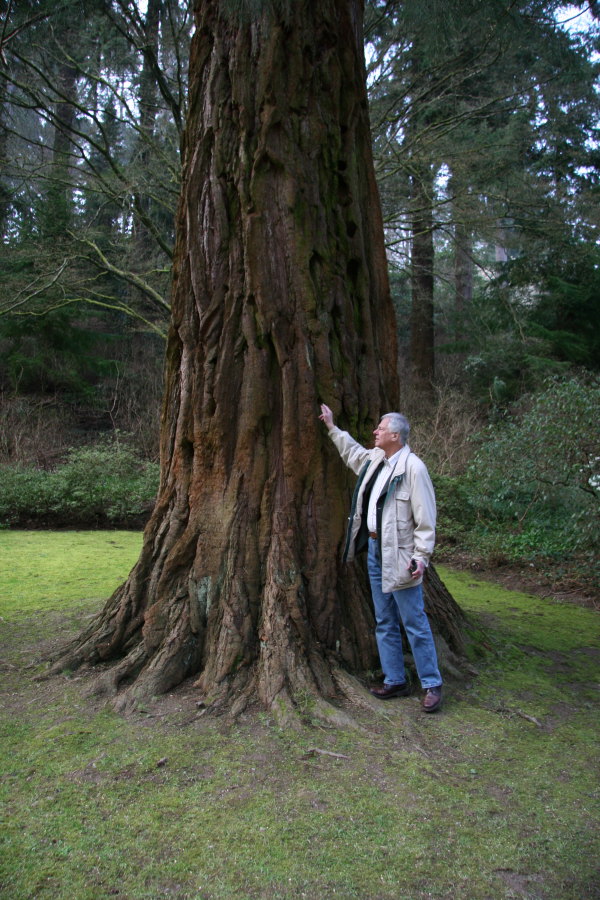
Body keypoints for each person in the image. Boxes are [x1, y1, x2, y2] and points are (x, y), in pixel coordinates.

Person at [319, 403, 443, 712]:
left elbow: (426, 519)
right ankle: (395, 680)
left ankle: (431, 684)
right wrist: (333, 428)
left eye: (381, 428)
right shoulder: (377, 459)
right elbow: (354, 454)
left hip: (402, 557)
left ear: (396, 435)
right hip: (375, 552)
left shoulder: (413, 468)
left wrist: (422, 557)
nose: (375, 431)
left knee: (413, 620)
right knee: (384, 619)